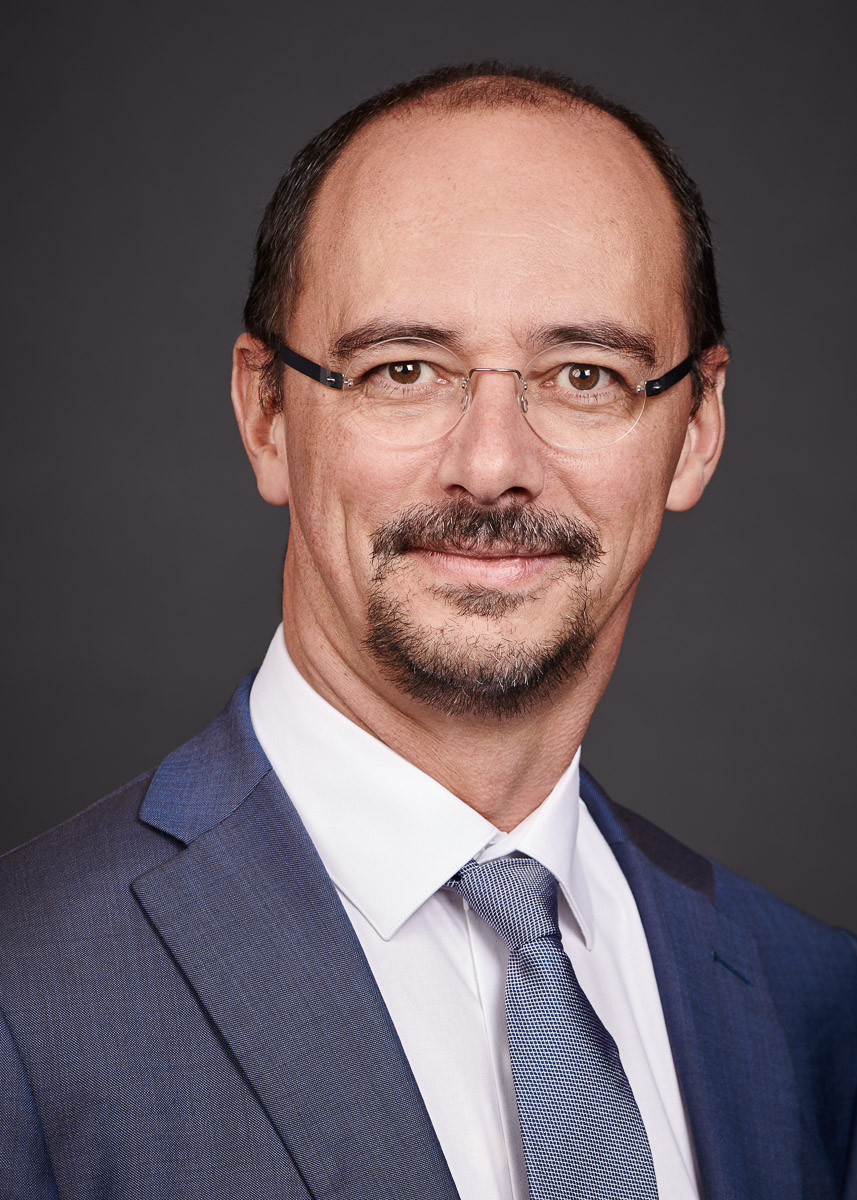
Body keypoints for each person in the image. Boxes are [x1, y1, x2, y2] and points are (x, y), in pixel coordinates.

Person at [1, 62, 854, 1200]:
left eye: (584, 374)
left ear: (694, 430)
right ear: (266, 414)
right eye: (402, 370)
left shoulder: (813, 1008)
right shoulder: (25, 995)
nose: (492, 465)